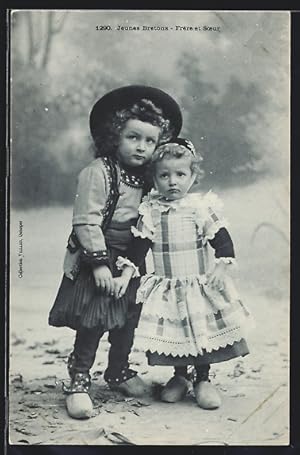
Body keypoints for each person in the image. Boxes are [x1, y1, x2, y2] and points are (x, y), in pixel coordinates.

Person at [48, 85, 182, 419]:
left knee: (126, 320)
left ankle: (118, 372)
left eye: (149, 141)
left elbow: (150, 221)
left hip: (130, 260)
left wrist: (130, 267)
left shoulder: (148, 178)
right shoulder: (98, 172)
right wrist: (99, 266)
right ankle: (79, 380)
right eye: (133, 137)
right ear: (114, 137)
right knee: (93, 320)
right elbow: (86, 222)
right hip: (97, 256)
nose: (141, 147)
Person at [116, 138, 254, 410]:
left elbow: (222, 240)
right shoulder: (151, 210)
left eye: (180, 174)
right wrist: (124, 275)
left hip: (197, 285)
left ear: (193, 176)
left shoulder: (200, 208)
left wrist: (221, 266)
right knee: (176, 334)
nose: (172, 182)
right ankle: (180, 377)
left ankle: (203, 379)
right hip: (168, 287)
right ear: (154, 179)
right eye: (164, 175)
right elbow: (139, 247)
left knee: (199, 331)